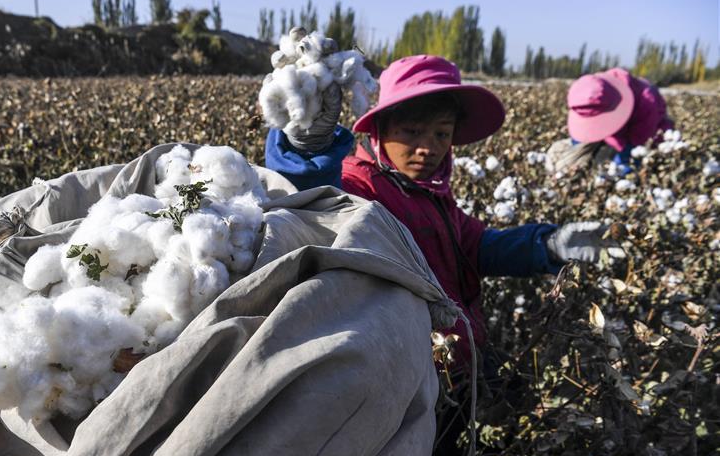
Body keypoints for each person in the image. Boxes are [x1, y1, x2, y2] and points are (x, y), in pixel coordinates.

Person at [264, 54, 623, 377]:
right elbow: (317, 206)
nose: (428, 147)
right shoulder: (363, 188)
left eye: (441, 133)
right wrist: (306, 151)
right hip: (416, 382)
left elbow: (475, 245)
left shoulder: (431, 193)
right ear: (379, 130)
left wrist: (546, 244)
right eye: (412, 132)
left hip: (460, 366)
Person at [548, 67, 675, 175]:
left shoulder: (647, 103)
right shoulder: (597, 88)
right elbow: (582, 137)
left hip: (646, 138)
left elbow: (635, 145)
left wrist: (617, 170)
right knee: (567, 158)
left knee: (620, 169)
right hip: (615, 135)